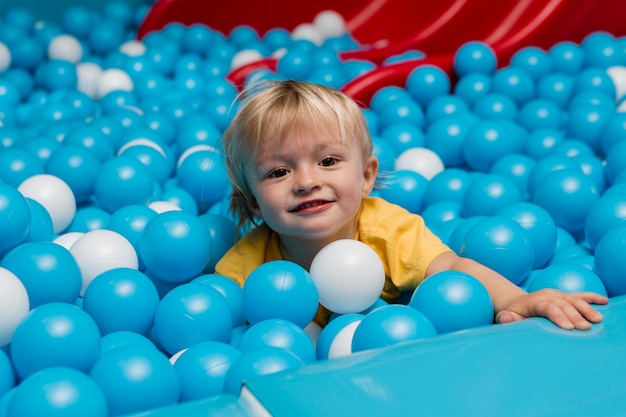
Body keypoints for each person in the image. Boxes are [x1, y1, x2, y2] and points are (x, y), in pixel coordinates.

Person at [215, 79, 608, 329]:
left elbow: (452, 267)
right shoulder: (246, 267)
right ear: (252, 201)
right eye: (278, 172)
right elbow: (223, 320)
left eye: (328, 161)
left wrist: (518, 299)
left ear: (367, 177)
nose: (307, 181)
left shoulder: (388, 230)